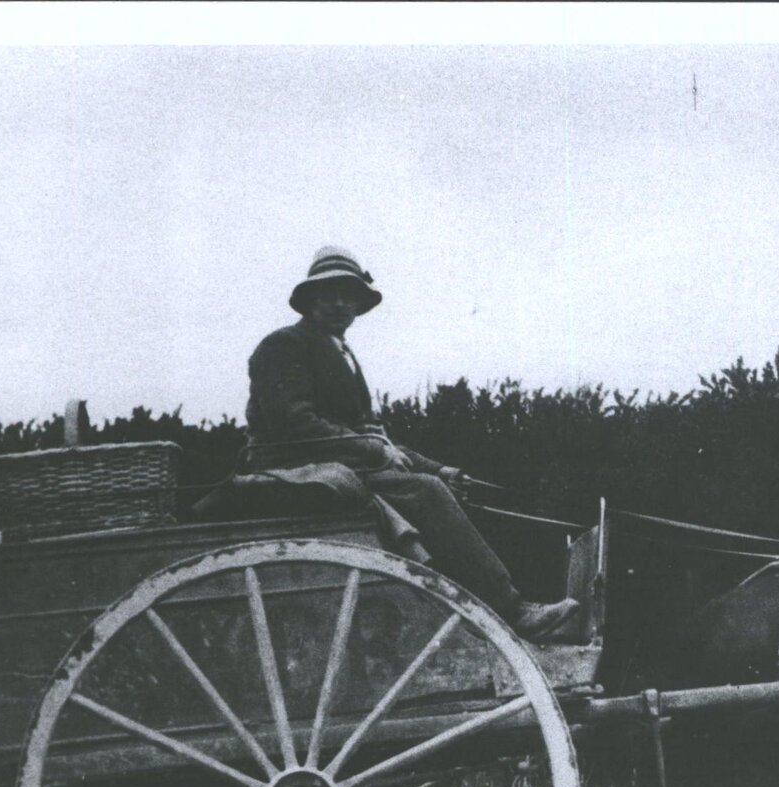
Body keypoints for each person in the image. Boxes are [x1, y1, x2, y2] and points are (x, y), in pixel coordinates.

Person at [243, 245, 580, 641]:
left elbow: (374, 434)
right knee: (425, 492)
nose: (339, 304)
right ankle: (511, 610)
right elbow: (295, 424)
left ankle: (470, 619)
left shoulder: (339, 353)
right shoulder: (283, 346)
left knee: (439, 485)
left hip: (333, 468)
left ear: (358, 304)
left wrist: (438, 467)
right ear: (310, 300)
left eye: (348, 295)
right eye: (328, 294)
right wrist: (378, 452)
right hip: (291, 472)